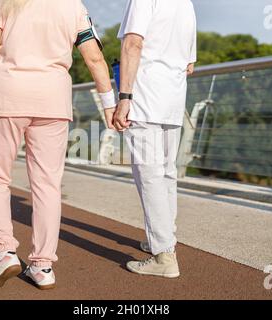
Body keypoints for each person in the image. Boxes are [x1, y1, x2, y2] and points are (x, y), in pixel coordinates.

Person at [0, 0, 117, 290]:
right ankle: (43, 266)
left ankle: (5, 252)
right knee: (47, 184)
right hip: (53, 101)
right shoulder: (74, 6)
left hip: (7, 96)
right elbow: (93, 57)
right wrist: (109, 103)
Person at [113, 0, 197, 278]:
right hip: (172, 100)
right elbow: (189, 65)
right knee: (166, 174)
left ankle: (164, 256)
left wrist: (124, 97)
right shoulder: (187, 4)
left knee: (149, 176)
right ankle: (161, 240)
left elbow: (132, 44)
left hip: (145, 97)